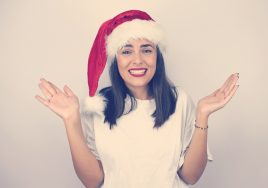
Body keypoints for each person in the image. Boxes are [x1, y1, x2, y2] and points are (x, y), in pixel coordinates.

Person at [35, 10, 239, 188]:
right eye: (126, 51)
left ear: (156, 57)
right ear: (116, 60)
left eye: (146, 50)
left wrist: (202, 115)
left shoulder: (180, 101)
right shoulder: (98, 106)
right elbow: (93, 181)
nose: (138, 60)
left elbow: (191, 176)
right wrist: (71, 121)